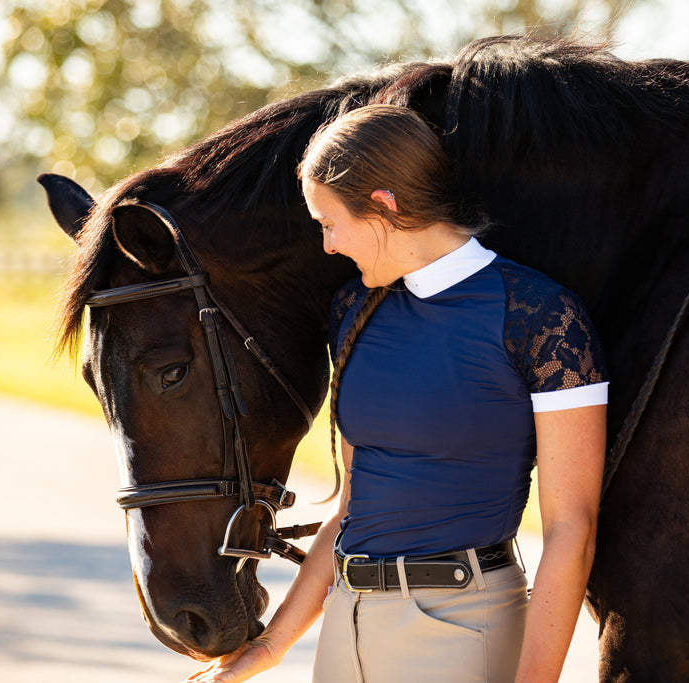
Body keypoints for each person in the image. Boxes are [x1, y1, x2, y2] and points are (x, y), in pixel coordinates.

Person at [183, 104, 608, 683]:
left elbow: (570, 530)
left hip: (461, 624)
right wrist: (272, 646)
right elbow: (352, 509)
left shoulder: (541, 316)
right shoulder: (355, 309)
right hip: (348, 623)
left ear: (384, 206)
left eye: (330, 223)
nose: (328, 246)